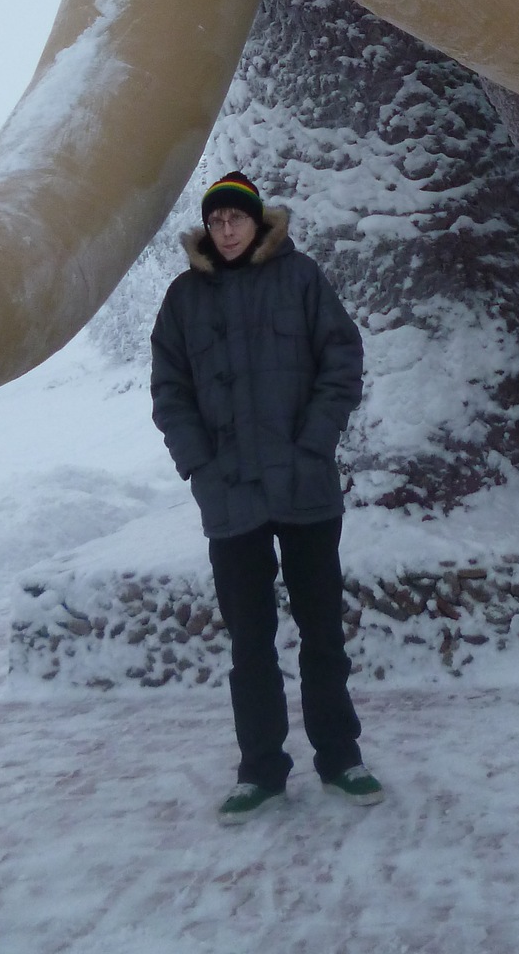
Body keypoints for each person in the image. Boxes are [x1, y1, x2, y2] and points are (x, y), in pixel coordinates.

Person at [150, 169, 380, 823]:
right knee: (250, 642)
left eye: (237, 219)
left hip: (305, 488)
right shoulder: (184, 298)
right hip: (231, 497)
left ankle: (340, 758)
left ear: (258, 222)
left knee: (322, 631)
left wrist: (315, 443)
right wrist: (200, 466)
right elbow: (169, 390)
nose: (226, 230)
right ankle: (261, 770)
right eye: (216, 221)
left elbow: (342, 360)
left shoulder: (300, 278)